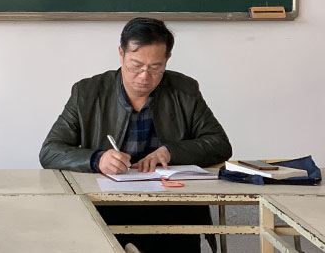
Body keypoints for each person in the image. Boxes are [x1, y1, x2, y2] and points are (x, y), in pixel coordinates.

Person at [39, 17, 232, 253]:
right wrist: (97, 159)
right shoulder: (88, 93)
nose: (144, 77)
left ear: (167, 60)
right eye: (136, 66)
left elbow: (219, 144)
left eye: (155, 68)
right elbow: (50, 151)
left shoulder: (184, 90)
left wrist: (171, 151)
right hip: (108, 204)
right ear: (121, 54)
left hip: (172, 204)